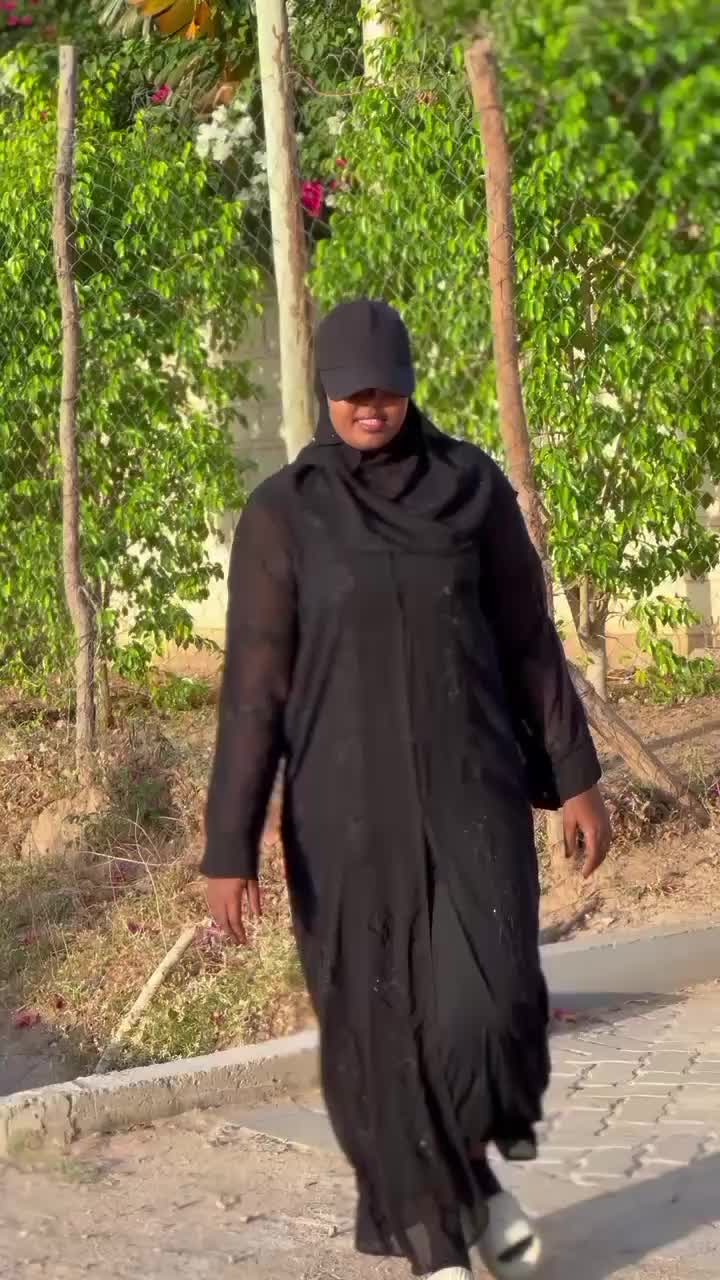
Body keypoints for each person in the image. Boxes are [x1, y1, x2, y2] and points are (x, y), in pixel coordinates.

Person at [202, 298, 611, 1280]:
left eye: (385, 388)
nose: (370, 406)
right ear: (326, 392)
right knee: (382, 1032)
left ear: (410, 384)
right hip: (344, 820)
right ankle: (437, 1245)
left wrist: (577, 777)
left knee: (490, 1010)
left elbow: (529, 639)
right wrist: (229, 843)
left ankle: (467, 1182)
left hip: (475, 794)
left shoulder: (471, 487)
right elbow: (252, 690)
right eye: (352, 392)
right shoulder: (284, 514)